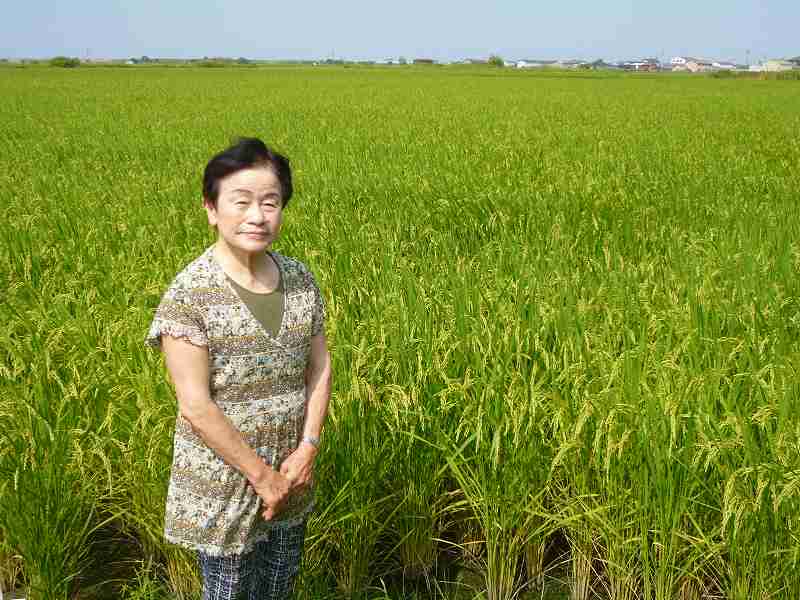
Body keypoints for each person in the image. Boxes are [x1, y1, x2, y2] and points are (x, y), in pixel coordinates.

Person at [145, 137, 332, 599]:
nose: (257, 215)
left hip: (292, 475)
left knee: (279, 586)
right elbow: (195, 404)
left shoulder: (299, 278)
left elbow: (320, 368)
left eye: (270, 202)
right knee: (228, 592)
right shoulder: (191, 294)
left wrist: (307, 448)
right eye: (241, 201)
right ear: (211, 208)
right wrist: (260, 476)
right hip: (223, 482)